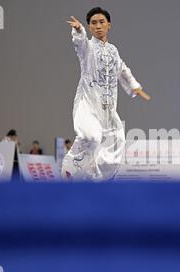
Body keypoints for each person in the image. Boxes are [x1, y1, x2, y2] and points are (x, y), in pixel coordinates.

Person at [62, 7, 151, 181]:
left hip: (109, 108)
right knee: (92, 136)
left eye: (101, 22)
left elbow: (122, 68)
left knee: (116, 142)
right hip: (88, 104)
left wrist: (134, 86)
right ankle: (69, 172)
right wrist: (78, 30)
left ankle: (98, 180)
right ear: (89, 27)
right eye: (93, 23)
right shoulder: (87, 48)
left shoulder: (113, 50)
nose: (98, 26)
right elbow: (80, 44)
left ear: (109, 25)